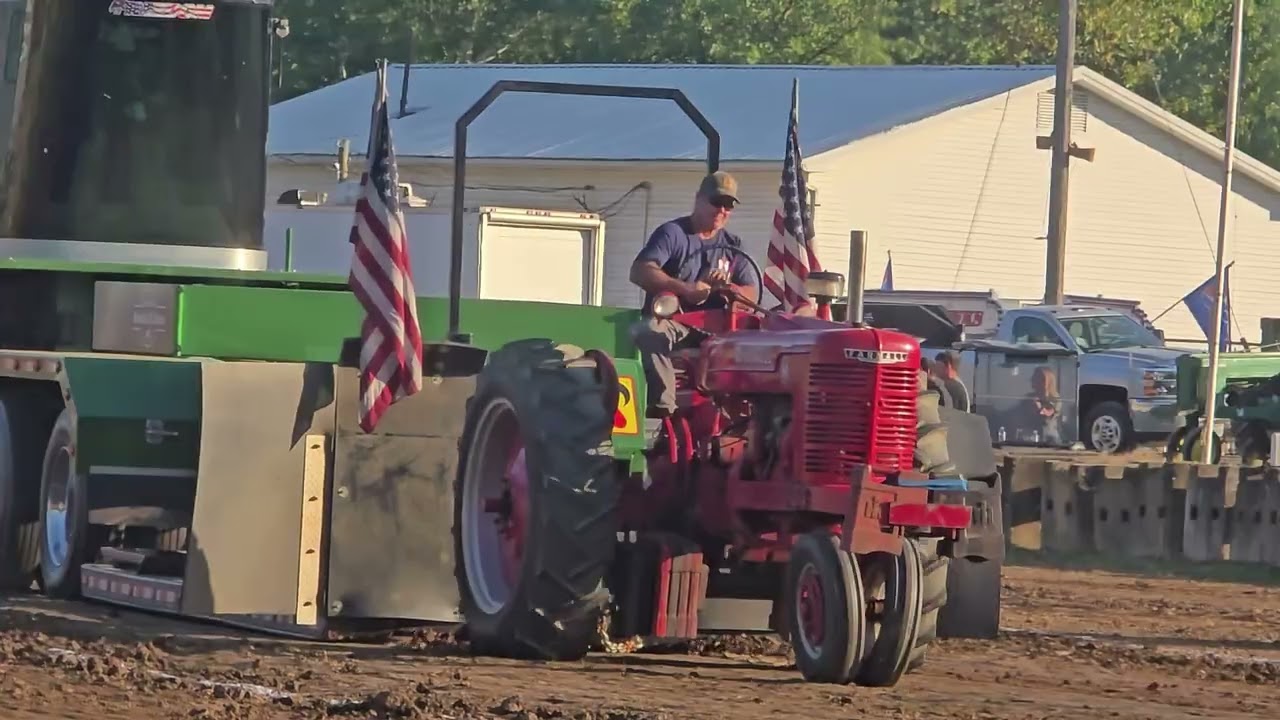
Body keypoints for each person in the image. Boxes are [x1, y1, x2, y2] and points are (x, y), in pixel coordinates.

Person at [628, 171, 761, 417]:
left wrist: (730, 290)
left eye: (728, 205)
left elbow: (751, 293)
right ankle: (664, 408)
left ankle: (747, 414)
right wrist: (686, 289)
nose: (722, 210)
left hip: (719, 328)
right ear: (698, 199)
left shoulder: (733, 245)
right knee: (651, 331)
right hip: (677, 325)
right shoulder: (673, 234)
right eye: (716, 202)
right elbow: (640, 271)